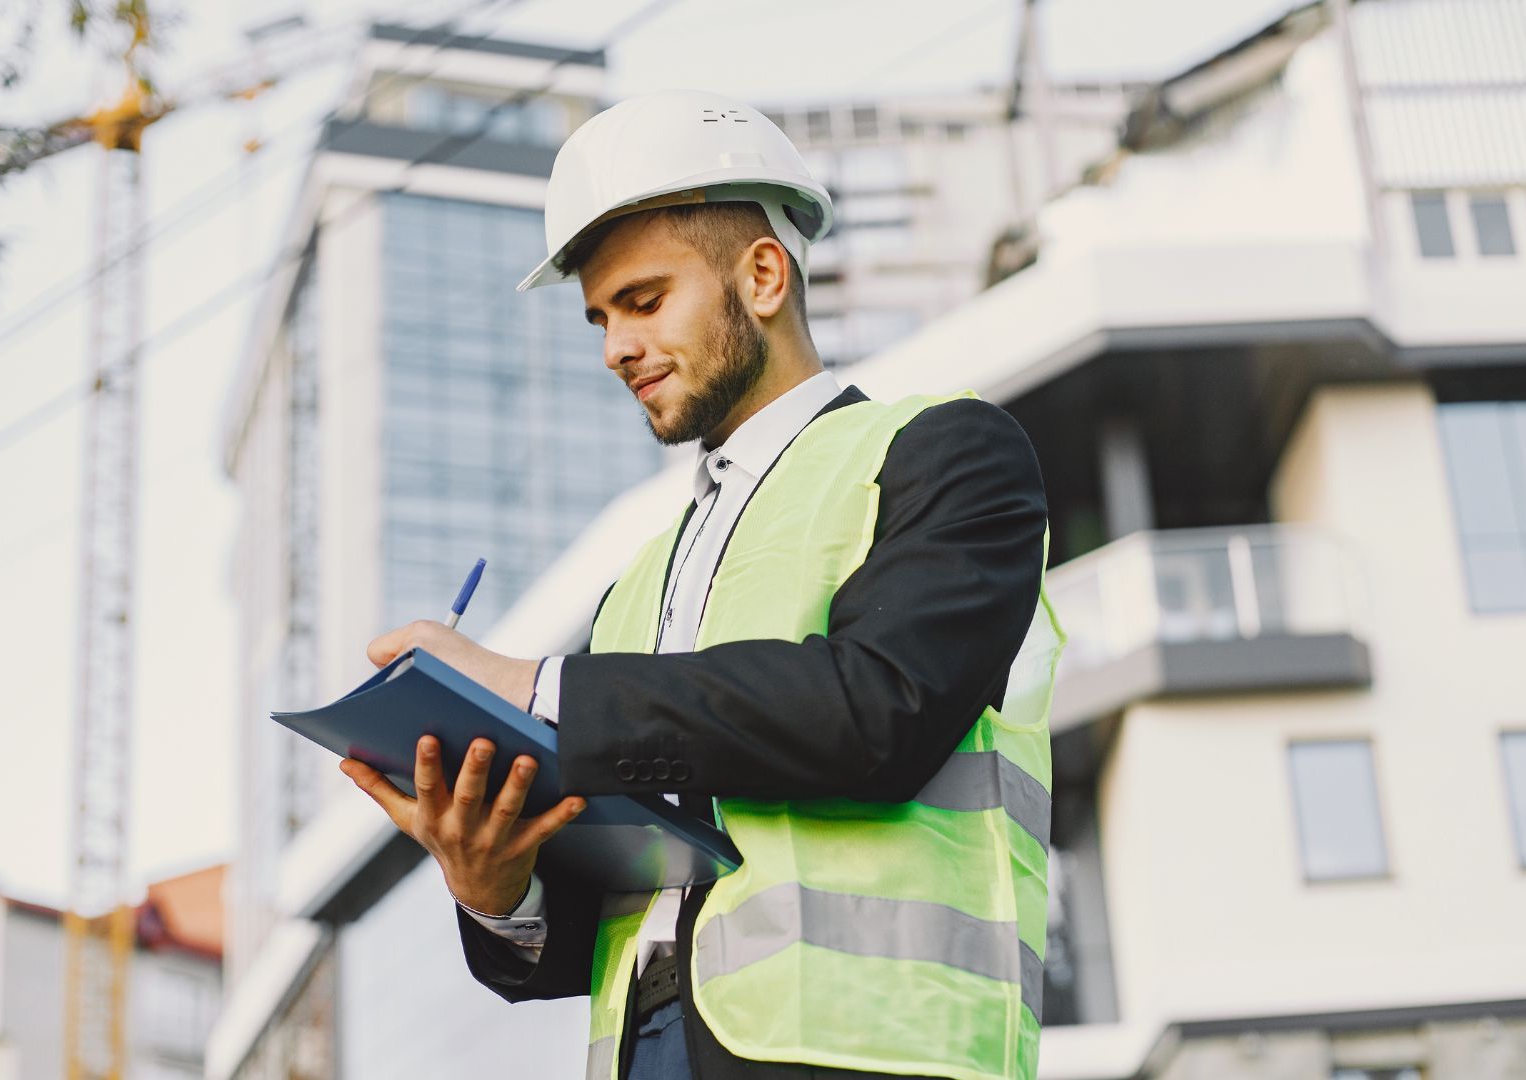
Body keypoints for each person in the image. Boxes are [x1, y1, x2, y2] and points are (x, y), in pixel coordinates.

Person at [338, 89, 1063, 1080]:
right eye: (600, 317)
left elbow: (879, 710)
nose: (614, 347)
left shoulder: (945, 453)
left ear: (763, 274)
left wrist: (531, 687)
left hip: (869, 1051)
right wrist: (499, 886)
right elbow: (621, 883)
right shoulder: (637, 587)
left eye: (643, 301)